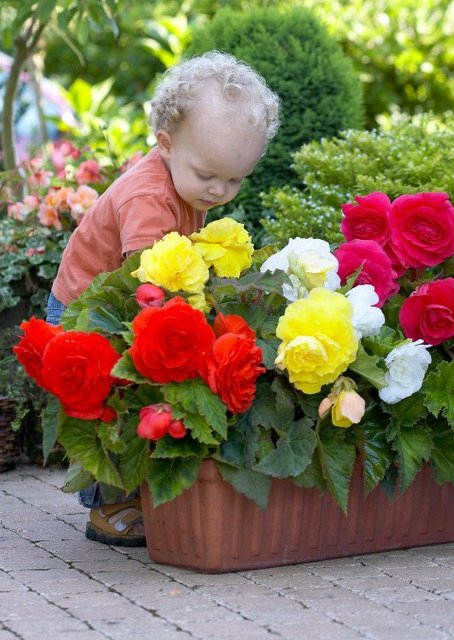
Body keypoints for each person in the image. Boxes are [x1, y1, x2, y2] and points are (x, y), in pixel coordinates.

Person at [45, 51, 280, 547]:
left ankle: (138, 488)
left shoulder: (184, 179)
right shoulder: (148, 200)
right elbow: (145, 285)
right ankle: (109, 502)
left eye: (234, 179)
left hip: (127, 301)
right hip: (92, 311)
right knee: (109, 405)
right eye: (208, 175)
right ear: (166, 144)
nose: (219, 190)